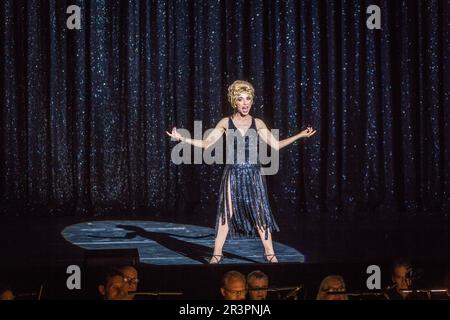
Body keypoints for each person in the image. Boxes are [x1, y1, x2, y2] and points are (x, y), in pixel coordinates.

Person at [167, 80, 316, 263]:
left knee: (260, 215)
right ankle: (217, 255)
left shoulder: (258, 123)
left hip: (254, 175)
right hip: (233, 174)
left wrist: (300, 135)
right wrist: (182, 138)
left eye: (248, 99)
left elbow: (275, 145)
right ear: (234, 102)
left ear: (252, 101)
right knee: (225, 215)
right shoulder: (226, 123)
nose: (245, 103)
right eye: (240, 99)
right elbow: (206, 144)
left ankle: (271, 255)